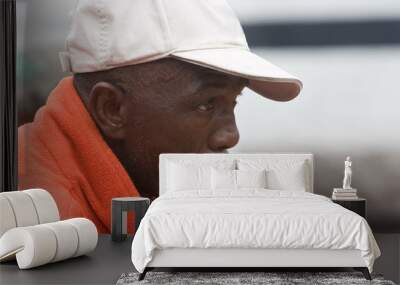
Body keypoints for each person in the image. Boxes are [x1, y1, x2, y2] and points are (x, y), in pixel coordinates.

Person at [18, 0, 302, 233]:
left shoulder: (143, 188)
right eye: (207, 104)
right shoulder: (34, 214)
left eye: (234, 101)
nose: (231, 135)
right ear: (112, 109)